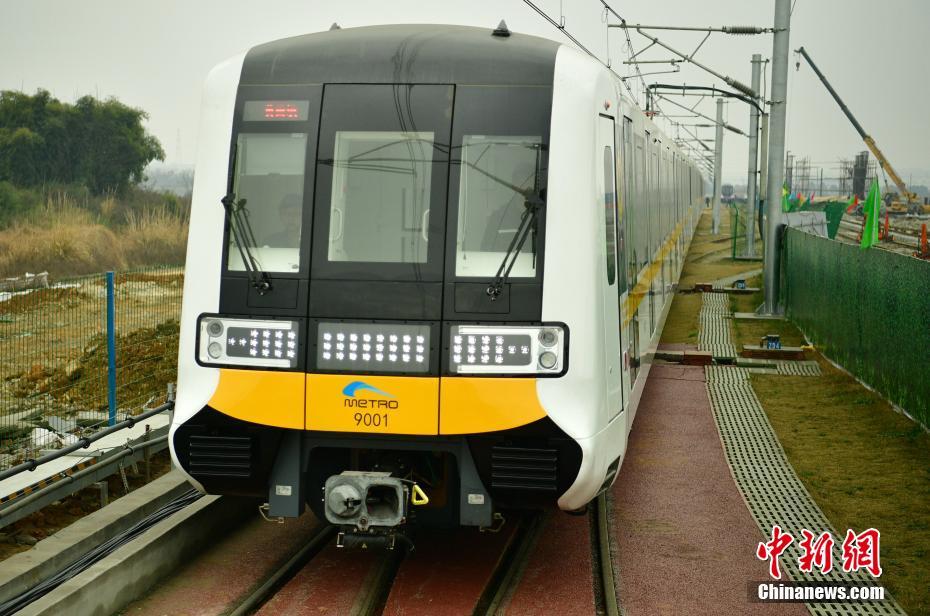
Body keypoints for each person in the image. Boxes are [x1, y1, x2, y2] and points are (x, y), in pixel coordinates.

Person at [480, 165, 535, 252]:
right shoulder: (498, 218)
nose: (524, 188)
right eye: (520, 183)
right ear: (513, 186)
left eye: (529, 183)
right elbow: (485, 252)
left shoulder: (542, 217)